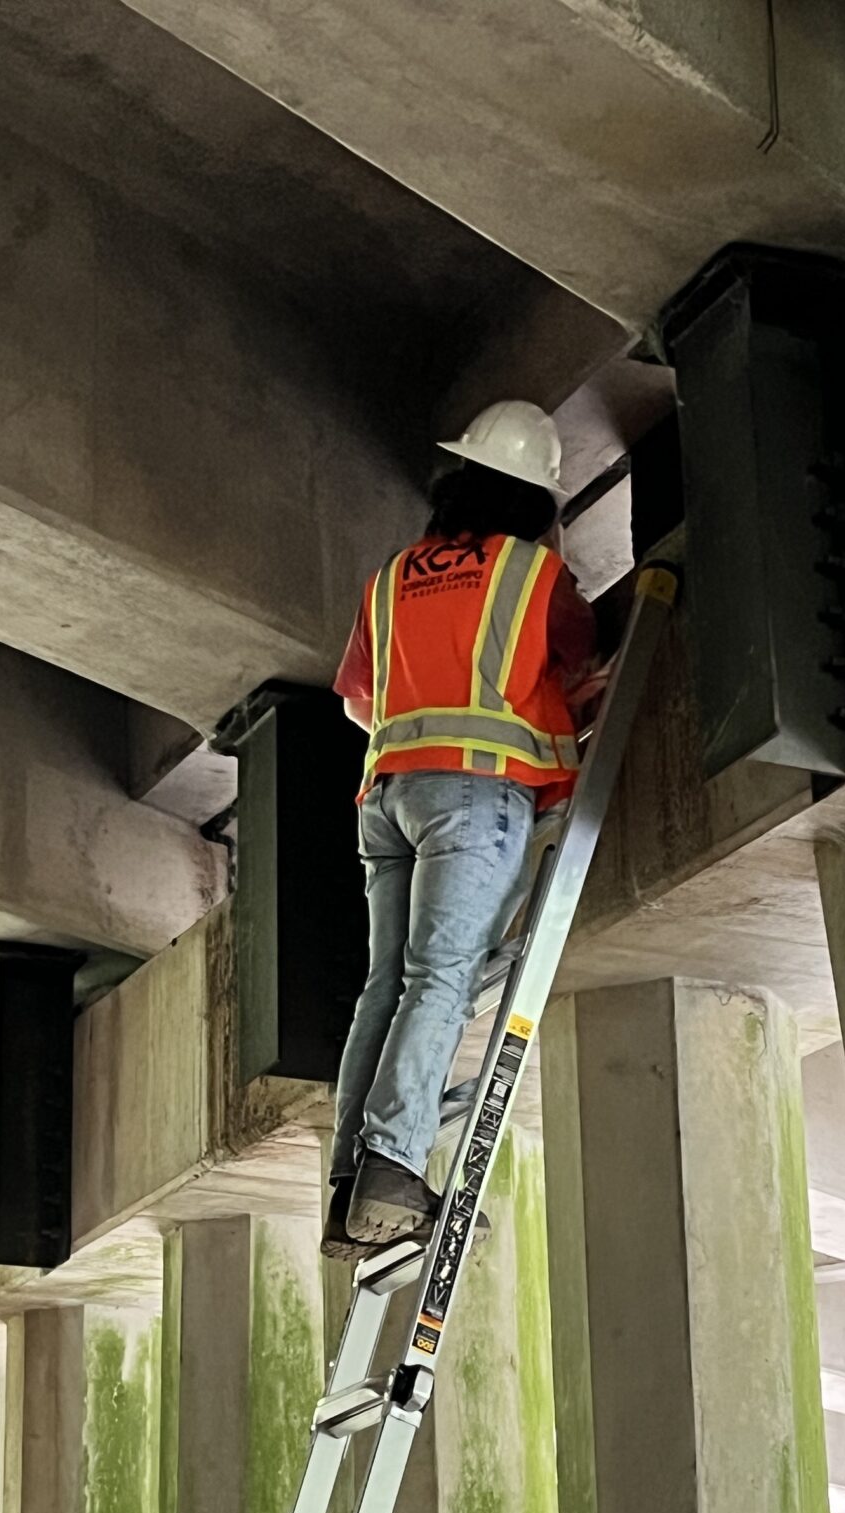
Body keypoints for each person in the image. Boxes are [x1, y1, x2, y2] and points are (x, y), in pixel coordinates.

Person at [324, 400, 600, 1256]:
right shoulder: (532, 574)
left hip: (387, 795)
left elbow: (357, 698)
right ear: (536, 503)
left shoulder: (390, 578)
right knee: (440, 979)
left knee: (386, 986)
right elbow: (581, 660)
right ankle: (395, 1166)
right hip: (476, 798)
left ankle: (350, 1181)